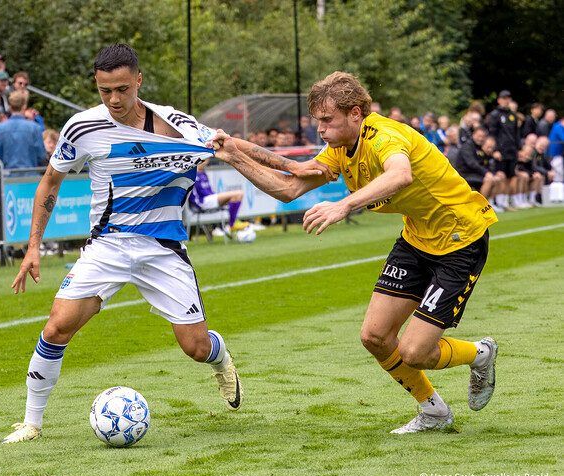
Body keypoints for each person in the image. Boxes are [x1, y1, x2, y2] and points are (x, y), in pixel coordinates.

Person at [212, 71, 499, 434]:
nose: (321, 129)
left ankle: (480, 353)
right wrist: (234, 153)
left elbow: (400, 176)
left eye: (327, 120)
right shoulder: (339, 148)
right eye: (317, 121)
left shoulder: (384, 137)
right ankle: (434, 410)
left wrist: (343, 205)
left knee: (414, 352)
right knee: (375, 337)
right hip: (416, 239)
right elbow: (290, 185)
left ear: (356, 114)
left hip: (461, 239)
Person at [2, 44, 243, 444]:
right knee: (57, 326)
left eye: (122, 89)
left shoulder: (178, 124)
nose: (114, 99)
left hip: (163, 249)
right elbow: (50, 182)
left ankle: (221, 358)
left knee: (196, 347)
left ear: (139, 82)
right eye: (104, 90)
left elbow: (221, 149)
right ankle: (31, 422)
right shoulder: (82, 128)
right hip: (107, 246)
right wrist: (32, 247)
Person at [0, 91, 46, 172]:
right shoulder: (35, 128)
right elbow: (41, 155)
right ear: (24, 106)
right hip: (31, 176)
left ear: (9, 107)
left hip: (6, 177)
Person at [188, 158, 245, 235]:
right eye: (205, 159)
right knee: (238, 194)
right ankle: (232, 224)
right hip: (201, 202)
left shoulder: (203, 173)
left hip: (209, 199)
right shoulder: (192, 173)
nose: (206, 161)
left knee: (237, 195)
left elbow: (209, 191)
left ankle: (233, 223)